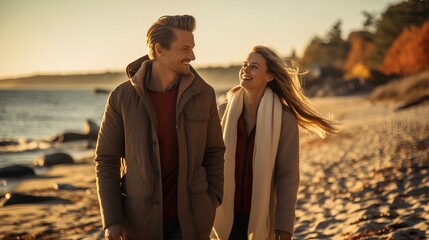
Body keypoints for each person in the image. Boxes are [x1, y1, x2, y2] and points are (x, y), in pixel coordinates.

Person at [95, 15, 225, 240]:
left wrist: (212, 199)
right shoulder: (122, 97)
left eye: (192, 48)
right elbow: (106, 159)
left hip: (191, 222)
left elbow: (214, 151)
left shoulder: (204, 94)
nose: (193, 56)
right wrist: (113, 219)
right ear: (159, 50)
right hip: (140, 223)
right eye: (185, 48)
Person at [211, 46, 337, 240]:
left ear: (269, 76)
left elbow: (288, 176)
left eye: (254, 66)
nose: (245, 69)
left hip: (262, 218)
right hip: (223, 214)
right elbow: (210, 163)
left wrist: (285, 225)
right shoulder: (222, 112)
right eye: (244, 65)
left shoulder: (284, 120)